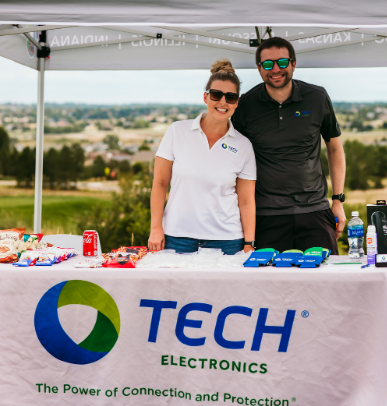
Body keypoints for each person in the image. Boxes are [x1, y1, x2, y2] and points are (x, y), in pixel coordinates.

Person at [232, 37, 346, 254]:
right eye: (267, 64)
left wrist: (338, 200)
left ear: (293, 63)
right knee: (269, 284)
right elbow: (234, 159)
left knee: (326, 280)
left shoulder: (317, 97)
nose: (275, 69)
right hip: (266, 214)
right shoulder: (246, 104)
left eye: (282, 62)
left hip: (314, 210)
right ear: (259, 68)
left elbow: (334, 148)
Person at [148, 59, 257, 255]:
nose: (223, 102)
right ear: (206, 97)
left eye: (230, 97)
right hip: (177, 237)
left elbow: (247, 201)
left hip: (228, 242)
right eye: (216, 95)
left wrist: (249, 243)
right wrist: (156, 228)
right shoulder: (176, 131)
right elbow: (160, 183)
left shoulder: (244, 146)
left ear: (236, 103)